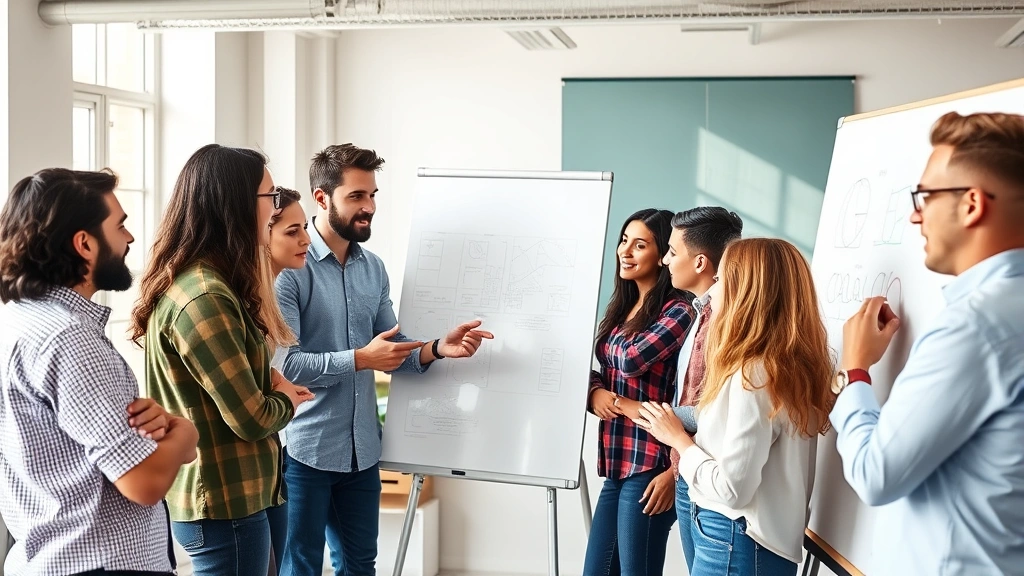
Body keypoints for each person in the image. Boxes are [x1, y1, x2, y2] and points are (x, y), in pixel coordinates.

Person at [276, 143, 494, 576]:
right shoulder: (289, 271)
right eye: (357, 196)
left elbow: (391, 348)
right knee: (300, 567)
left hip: (362, 452)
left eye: (372, 195)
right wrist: (360, 359)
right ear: (322, 198)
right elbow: (287, 367)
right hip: (306, 451)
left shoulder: (372, 268)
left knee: (361, 566)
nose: (369, 207)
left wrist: (436, 348)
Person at [832, 111, 1024, 574]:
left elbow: (876, 475)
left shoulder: (974, 326)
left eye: (925, 196)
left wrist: (855, 371)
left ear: (972, 204)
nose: (915, 214)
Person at [0, 168, 198, 576]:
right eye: (120, 225)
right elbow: (143, 482)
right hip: (100, 562)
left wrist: (166, 432)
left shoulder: (19, 321)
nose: (130, 238)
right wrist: (186, 432)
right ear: (84, 243)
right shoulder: (70, 340)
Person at [129, 145, 314, 576]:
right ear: (234, 203)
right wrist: (285, 396)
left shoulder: (218, 284)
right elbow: (250, 418)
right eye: (269, 197)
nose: (274, 210)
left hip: (244, 494)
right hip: (224, 502)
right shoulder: (206, 295)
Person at [637, 238, 836, 576]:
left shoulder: (753, 373)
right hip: (753, 540)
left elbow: (732, 490)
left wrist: (679, 442)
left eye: (723, 279)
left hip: (735, 537)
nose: (715, 289)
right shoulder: (793, 366)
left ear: (746, 292)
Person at [583, 208, 693, 576]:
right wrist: (599, 394)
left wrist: (613, 398)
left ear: (663, 255)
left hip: (653, 463)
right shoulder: (621, 308)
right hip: (617, 461)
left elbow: (629, 360)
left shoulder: (679, 311)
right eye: (624, 241)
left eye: (639, 244)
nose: (625, 251)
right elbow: (596, 370)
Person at [660, 206, 742, 570]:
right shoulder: (699, 312)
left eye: (673, 252)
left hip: (710, 477)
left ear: (700, 263)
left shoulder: (730, 323)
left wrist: (647, 414)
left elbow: (713, 412)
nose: (665, 260)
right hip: (688, 468)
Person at [265, 185, 312, 576]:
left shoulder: (262, 293)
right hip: (279, 443)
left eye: (304, 228)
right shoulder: (247, 297)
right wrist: (284, 392)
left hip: (271, 457)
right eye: (292, 231)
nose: (305, 240)